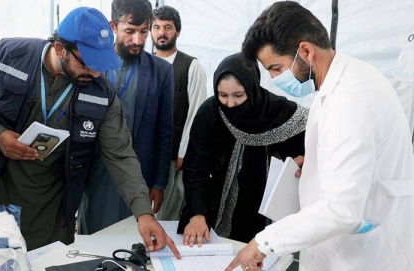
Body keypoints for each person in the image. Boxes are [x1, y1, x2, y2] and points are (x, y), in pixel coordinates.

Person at [0, 7, 180, 257]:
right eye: (87, 63)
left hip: (50, 200)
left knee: (44, 260)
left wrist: (143, 214)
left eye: (100, 65)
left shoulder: (101, 94)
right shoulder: (8, 54)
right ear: (61, 48)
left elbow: (121, 155)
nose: (95, 73)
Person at [227, 2, 414, 271]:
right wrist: (318, 166)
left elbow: (342, 209)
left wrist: (263, 243)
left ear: (305, 51)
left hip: (365, 257)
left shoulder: (351, 99)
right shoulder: (340, 83)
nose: (273, 78)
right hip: (344, 250)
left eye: (276, 68)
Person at [179, 52, 307, 246]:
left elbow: (307, 147)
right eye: (223, 95)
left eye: (238, 95)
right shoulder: (210, 112)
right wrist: (197, 213)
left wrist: (303, 160)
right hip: (212, 207)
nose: (230, 103)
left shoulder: (276, 112)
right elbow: (195, 168)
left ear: (252, 87)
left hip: (260, 210)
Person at [77, 0, 174, 235]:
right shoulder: (90, 65)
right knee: (94, 239)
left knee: (131, 240)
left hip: (138, 175)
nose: (138, 40)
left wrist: (159, 184)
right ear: (113, 26)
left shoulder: (161, 71)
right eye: (130, 32)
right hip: (95, 172)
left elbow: (165, 132)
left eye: (143, 32)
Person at [150, 5, 208, 221]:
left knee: (166, 214)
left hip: (175, 156)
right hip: (145, 155)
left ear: (177, 32)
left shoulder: (191, 66)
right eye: (156, 27)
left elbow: (196, 113)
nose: (161, 32)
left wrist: (184, 152)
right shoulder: (144, 63)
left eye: (167, 27)